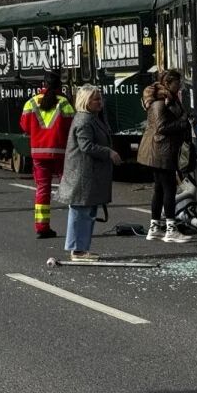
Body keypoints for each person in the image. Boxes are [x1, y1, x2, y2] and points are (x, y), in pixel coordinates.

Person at [54, 85, 120, 261]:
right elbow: (86, 146)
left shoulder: (91, 118)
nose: (100, 102)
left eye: (100, 98)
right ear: (85, 101)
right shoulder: (84, 120)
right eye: (96, 99)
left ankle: (81, 249)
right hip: (82, 175)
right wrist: (109, 152)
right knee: (81, 212)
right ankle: (77, 250)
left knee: (87, 212)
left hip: (87, 175)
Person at [137, 69, 192, 244]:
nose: (180, 85)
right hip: (161, 151)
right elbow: (161, 126)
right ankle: (171, 229)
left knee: (160, 189)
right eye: (178, 82)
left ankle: (155, 228)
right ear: (168, 83)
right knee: (169, 189)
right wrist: (185, 122)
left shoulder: (166, 98)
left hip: (158, 150)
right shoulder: (160, 101)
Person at [20, 72, 75, 239]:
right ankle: (75, 228)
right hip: (61, 154)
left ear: (43, 85)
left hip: (38, 154)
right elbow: (72, 127)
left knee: (42, 190)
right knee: (70, 189)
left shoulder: (31, 103)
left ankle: (42, 227)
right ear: (60, 86)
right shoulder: (64, 103)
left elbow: (24, 126)